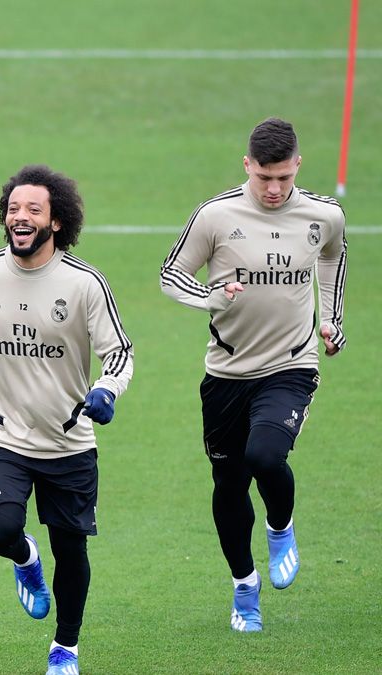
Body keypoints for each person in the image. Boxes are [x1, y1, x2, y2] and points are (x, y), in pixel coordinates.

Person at [0, 165, 133, 675]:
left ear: (57, 223)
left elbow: (120, 353)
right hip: (0, 434)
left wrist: (107, 390)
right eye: (14, 209)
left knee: (71, 552)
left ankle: (66, 646)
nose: (20, 217)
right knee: (0, 526)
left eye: (33, 210)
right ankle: (25, 559)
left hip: (68, 442)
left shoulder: (85, 284)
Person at [159, 117, 346, 633]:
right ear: (248, 165)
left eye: (284, 178)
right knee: (228, 483)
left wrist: (331, 319)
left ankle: (281, 526)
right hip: (226, 373)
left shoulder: (324, 215)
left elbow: (332, 259)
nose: (274, 188)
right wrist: (210, 298)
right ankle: (244, 585)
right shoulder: (216, 216)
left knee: (266, 454)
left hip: (291, 364)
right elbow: (171, 275)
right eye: (265, 176)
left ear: (298, 166)